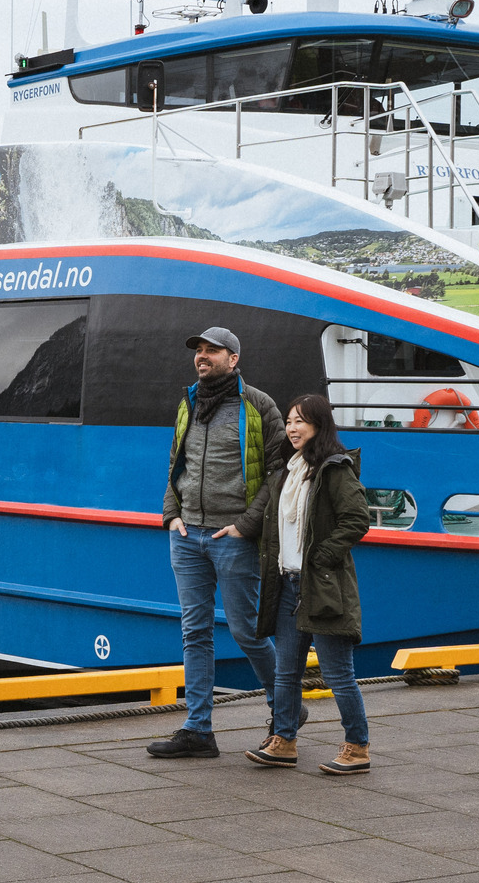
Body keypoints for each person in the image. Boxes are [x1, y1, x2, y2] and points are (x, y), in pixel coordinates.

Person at [146, 327, 282, 759]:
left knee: (247, 631)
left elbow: (279, 470)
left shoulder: (258, 406)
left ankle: (285, 716)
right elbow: (175, 464)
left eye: (212, 351)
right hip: (188, 536)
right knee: (195, 632)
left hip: (233, 537)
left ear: (233, 358)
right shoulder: (188, 402)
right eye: (199, 351)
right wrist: (171, 514)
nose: (202, 357)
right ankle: (198, 729)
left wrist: (246, 524)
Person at [239, 393, 373, 774]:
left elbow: (356, 519)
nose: (292, 427)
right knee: (286, 672)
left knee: (338, 675)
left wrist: (320, 558)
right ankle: (283, 741)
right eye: (289, 420)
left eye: (300, 421)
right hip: (287, 584)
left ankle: (357, 747)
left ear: (319, 425)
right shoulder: (288, 471)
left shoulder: (335, 469)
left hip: (323, 586)